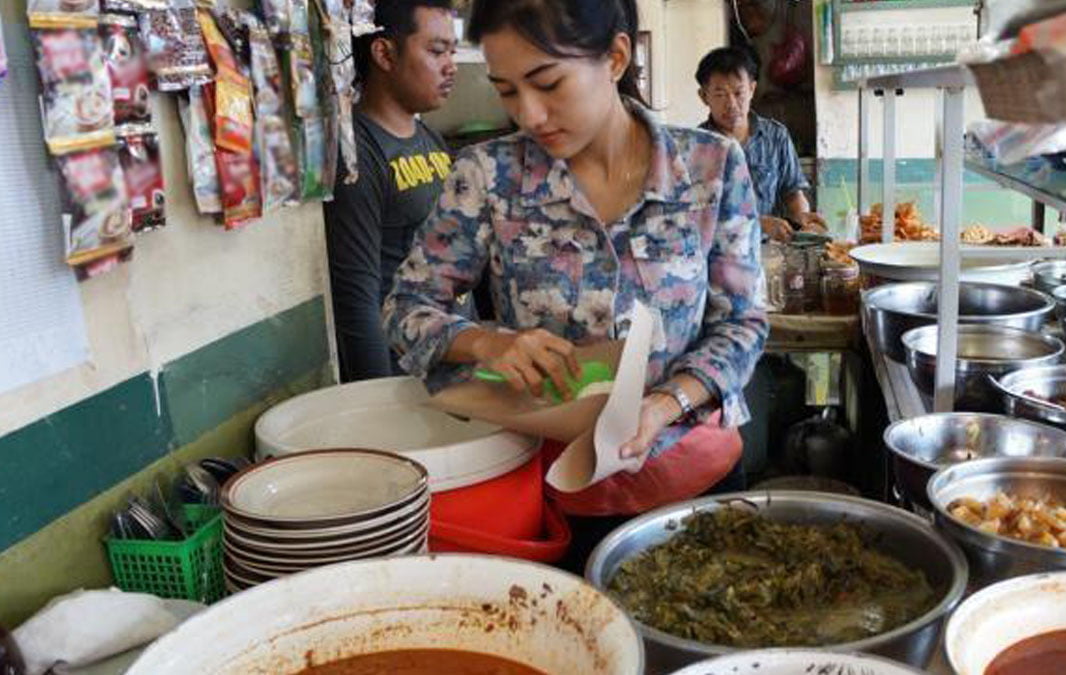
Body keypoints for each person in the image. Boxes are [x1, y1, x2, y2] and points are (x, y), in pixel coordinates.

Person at [382, 0, 767, 570]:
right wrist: (490, 343)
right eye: (507, 91)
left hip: (695, 479)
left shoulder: (710, 166)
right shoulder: (489, 177)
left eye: (547, 83)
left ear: (614, 57)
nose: (530, 115)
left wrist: (666, 402)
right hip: (557, 492)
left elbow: (744, 321)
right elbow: (406, 307)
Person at [323, 0, 458, 382]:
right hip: (400, 373)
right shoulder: (358, 155)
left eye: (452, 50)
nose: (451, 66)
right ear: (384, 53)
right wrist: (377, 402)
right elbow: (356, 299)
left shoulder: (430, 140)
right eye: (436, 51)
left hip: (449, 359)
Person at [696, 46, 825, 242]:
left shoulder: (775, 136)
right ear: (704, 96)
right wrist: (758, 222)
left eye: (739, 92)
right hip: (719, 255)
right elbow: (697, 215)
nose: (731, 104)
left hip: (770, 252)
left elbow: (792, 192)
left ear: (752, 90)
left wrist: (802, 218)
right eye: (720, 94)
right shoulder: (696, 145)